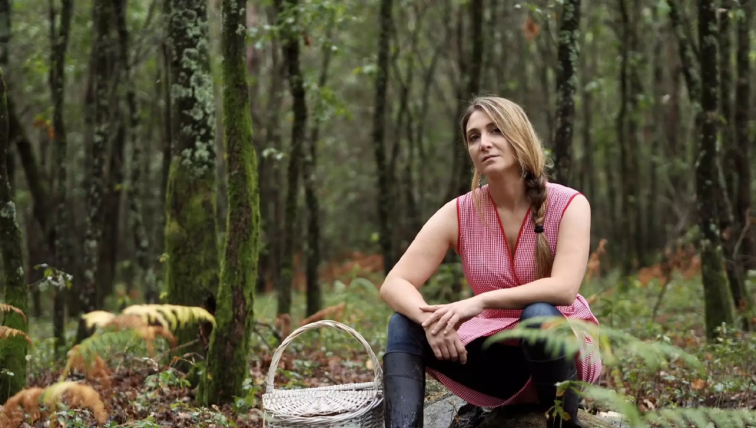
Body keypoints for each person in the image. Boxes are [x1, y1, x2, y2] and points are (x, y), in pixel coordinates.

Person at [378, 96, 601, 428]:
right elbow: (394, 283)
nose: (484, 143)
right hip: (496, 364)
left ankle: (564, 423)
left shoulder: (569, 204)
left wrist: (478, 301)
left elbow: (565, 288)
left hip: (558, 357)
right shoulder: (460, 212)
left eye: (496, 131)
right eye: (473, 136)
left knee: (539, 315)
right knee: (403, 324)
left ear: (519, 136)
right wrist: (430, 323)